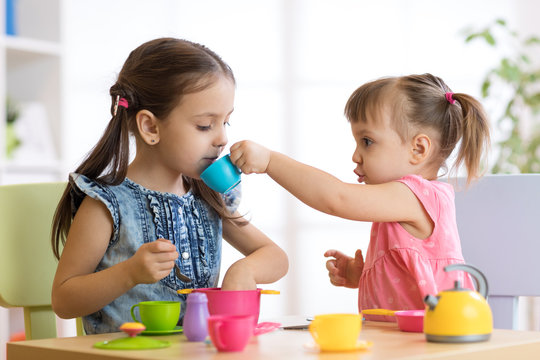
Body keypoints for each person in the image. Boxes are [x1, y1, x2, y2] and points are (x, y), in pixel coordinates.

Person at [51, 38, 288, 334]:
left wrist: (243, 269)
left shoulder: (207, 196)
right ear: (150, 127)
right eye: (205, 125)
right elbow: (63, 299)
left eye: (225, 122)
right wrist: (129, 273)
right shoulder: (107, 204)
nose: (222, 139)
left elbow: (276, 257)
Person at [230, 73, 490, 319]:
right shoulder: (403, 200)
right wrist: (366, 275)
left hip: (430, 345)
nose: (355, 155)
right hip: (400, 343)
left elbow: (336, 198)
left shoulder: (415, 195)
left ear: (418, 149)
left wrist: (270, 161)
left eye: (367, 141)